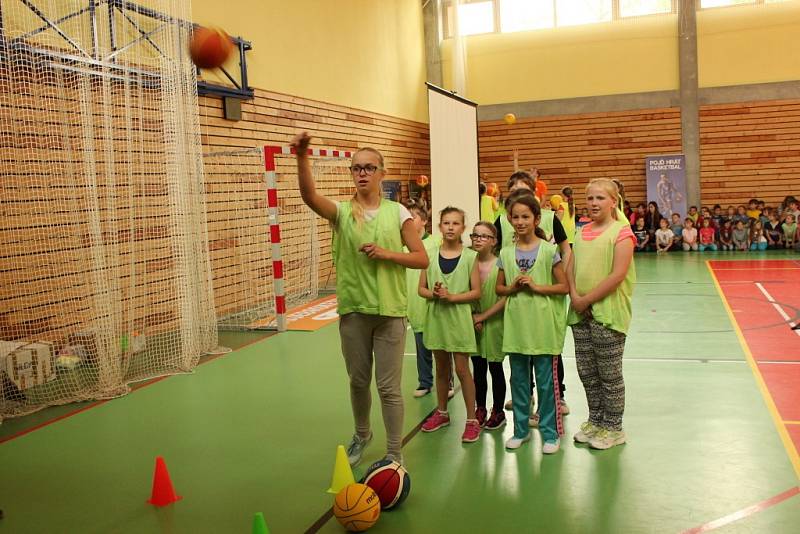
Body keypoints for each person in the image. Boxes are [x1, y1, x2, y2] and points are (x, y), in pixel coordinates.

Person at [292, 132, 428, 467]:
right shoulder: (341, 212)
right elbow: (309, 196)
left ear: (382, 173)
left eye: (369, 167)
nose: (362, 173)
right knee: (358, 381)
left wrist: (387, 253)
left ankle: (394, 452)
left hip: (389, 312)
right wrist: (301, 158)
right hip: (354, 312)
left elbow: (421, 258)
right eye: (356, 168)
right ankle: (362, 433)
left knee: (389, 388)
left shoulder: (398, 213)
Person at [566, 178, 636, 450]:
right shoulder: (581, 231)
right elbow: (571, 265)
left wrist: (586, 300)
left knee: (609, 372)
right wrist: (574, 295)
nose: (594, 203)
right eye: (591, 198)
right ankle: (596, 420)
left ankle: (614, 427)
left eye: (600, 198)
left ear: (613, 202)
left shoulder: (622, 233)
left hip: (607, 313)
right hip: (580, 312)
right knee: (587, 370)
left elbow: (617, 275)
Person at [496, 194, 568, 453]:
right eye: (515, 217)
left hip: (542, 328)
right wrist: (512, 287)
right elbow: (499, 289)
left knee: (547, 384)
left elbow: (564, 286)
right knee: (519, 382)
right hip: (517, 327)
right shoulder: (505, 253)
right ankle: (520, 431)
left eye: (525, 216)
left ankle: (550, 434)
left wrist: (537, 287)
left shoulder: (549, 251)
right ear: (509, 219)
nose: (520, 221)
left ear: (537, 219)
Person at [419, 207, 482, 443]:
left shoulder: (470, 257)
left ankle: (471, 419)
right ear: (439, 227)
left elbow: (476, 292)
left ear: (463, 228)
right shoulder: (431, 255)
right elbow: (421, 289)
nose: (450, 227)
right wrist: (435, 294)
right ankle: (442, 413)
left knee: (463, 370)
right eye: (446, 223)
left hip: (459, 321)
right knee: (441, 368)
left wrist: (452, 296)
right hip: (437, 319)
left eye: (455, 223)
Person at [403, 199, 444, 399]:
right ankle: (425, 382)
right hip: (414, 305)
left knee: (440, 347)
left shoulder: (436, 242)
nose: (409, 221)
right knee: (421, 348)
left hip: (433, 303)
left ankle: (448, 382)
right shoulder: (402, 245)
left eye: (413, 217)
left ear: (424, 221)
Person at [469, 222, 507, 430]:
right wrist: (473, 316)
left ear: (494, 241)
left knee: (495, 367)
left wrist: (483, 316)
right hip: (474, 323)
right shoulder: (468, 263)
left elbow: (505, 298)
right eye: (475, 235)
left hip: (494, 323)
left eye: (484, 236)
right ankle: (480, 407)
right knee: (478, 368)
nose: (478, 239)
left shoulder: (500, 264)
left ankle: (498, 410)